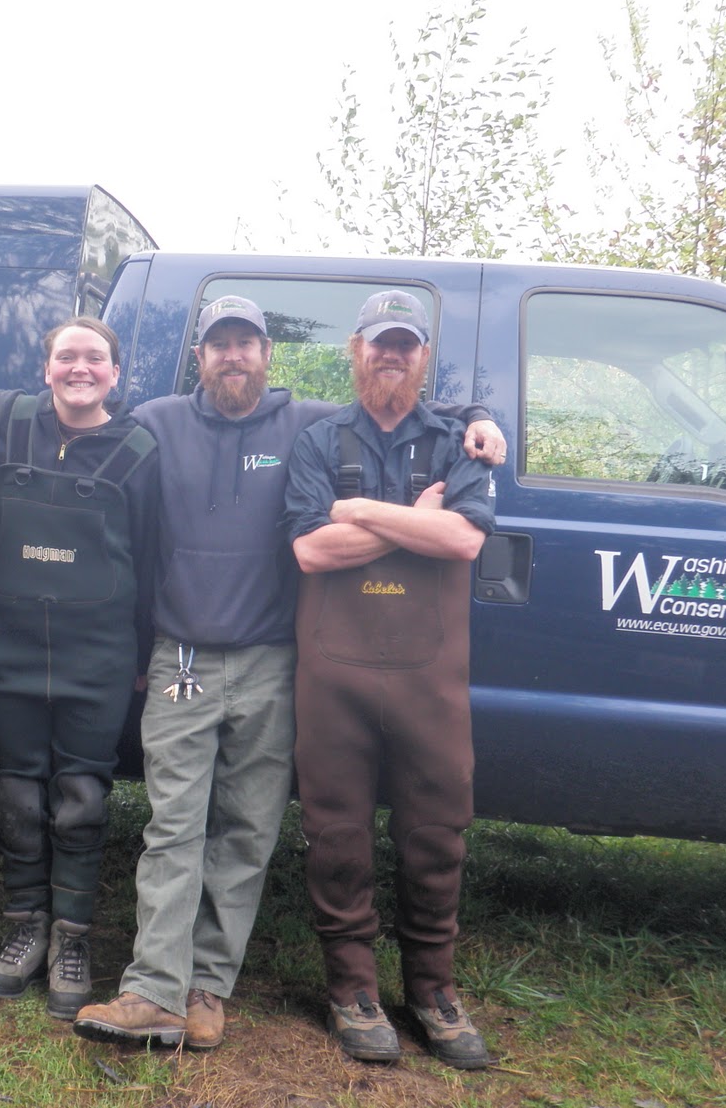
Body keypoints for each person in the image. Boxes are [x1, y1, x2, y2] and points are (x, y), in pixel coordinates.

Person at [73, 295, 504, 1049]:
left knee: (245, 830)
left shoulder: (303, 422)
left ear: (269, 353)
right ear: (198, 356)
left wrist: (478, 414)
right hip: (182, 658)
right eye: (218, 345)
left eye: (245, 344)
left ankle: (208, 990)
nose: (232, 356)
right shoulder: (157, 420)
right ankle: (151, 990)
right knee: (173, 825)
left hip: (274, 660)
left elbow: (394, 397)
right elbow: (81, 417)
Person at [283, 289, 495, 1070]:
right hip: (332, 675)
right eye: (380, 343)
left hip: (428, 679)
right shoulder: (316, 439)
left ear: (422, 357)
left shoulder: (457, 441)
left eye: (406, 344)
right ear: (357, 349)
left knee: (437, 832)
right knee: (336, 833)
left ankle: (433, 989)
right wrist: (413, 521)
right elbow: (309, 552)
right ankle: (351, 989)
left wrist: (358, 508)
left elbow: (465, 539)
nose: (392, 355)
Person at [0, 317, 160, 1020]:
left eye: (95, 358)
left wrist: (143, 652)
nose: (81, 369)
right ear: (44, 366)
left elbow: (153, 555)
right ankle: (23, 931)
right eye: (66, 357)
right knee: (17, 793)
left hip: (98, 652)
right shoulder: (5, 419)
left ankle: (71, 941)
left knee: (81, 796)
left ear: (116, 371)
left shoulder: (140, 449)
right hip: (10, 645)